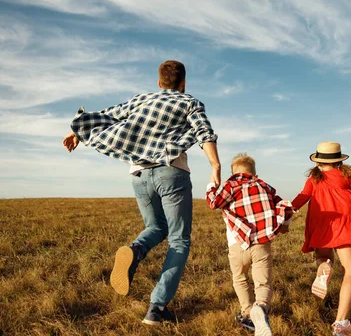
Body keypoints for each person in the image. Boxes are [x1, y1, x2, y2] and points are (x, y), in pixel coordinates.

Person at [62, 60, 221, 325]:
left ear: (159, 83)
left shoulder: (142, 99)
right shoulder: (189, 102)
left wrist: (76, 133)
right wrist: (215, 166)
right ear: (183, 83)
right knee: (179, 241)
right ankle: (156, 309)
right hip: (172, 172)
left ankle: (135, 251)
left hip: (138, 175)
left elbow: (107, 114)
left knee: (156, 227)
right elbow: (204, 132)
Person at [292, 142, 351, 336]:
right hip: (345, 225)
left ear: (319, 162)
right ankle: (341, 324)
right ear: (339, 161)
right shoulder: (345, 176)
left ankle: (324, 265)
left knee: (325, 259)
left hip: (321, 224)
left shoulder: (313, 178)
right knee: (350, 272)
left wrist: (286, 212)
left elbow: (302, 197)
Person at [206, 153, 293, 336]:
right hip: (261, 244)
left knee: (240, 279)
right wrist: (284, 226)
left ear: (233, 173)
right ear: (254, 173)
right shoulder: (264, 186)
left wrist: (211, 186)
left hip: (237, 245)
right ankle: (261, 308)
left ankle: (247, 313)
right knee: (263, 283)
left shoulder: (230, 186)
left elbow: (213, 203)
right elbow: (283, 207)